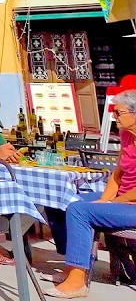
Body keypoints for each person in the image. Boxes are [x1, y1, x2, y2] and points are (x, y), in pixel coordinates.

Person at [45, 89, 136, 298]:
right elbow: (118, 174)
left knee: (79, 211)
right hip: (121, 199)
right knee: (69, 201)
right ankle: (73, 267)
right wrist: (105, 199)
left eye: (119, 113)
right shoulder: (127, 135)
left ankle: (77, 281)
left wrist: (114, 202)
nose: (114, 116)